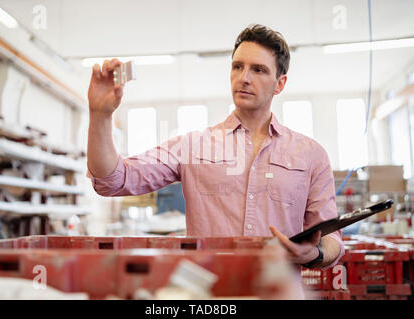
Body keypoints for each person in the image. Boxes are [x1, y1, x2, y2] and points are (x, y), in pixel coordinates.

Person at [87, 24, 344, 290]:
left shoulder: (311, 154)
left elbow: (332, 238)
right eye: (237, 67)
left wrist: (314, 255)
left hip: (277, 294)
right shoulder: (192, 146)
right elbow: (114, 180)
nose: (244, 77)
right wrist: (100, 115)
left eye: (258, 70)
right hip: (209, 298)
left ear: (280, 84)